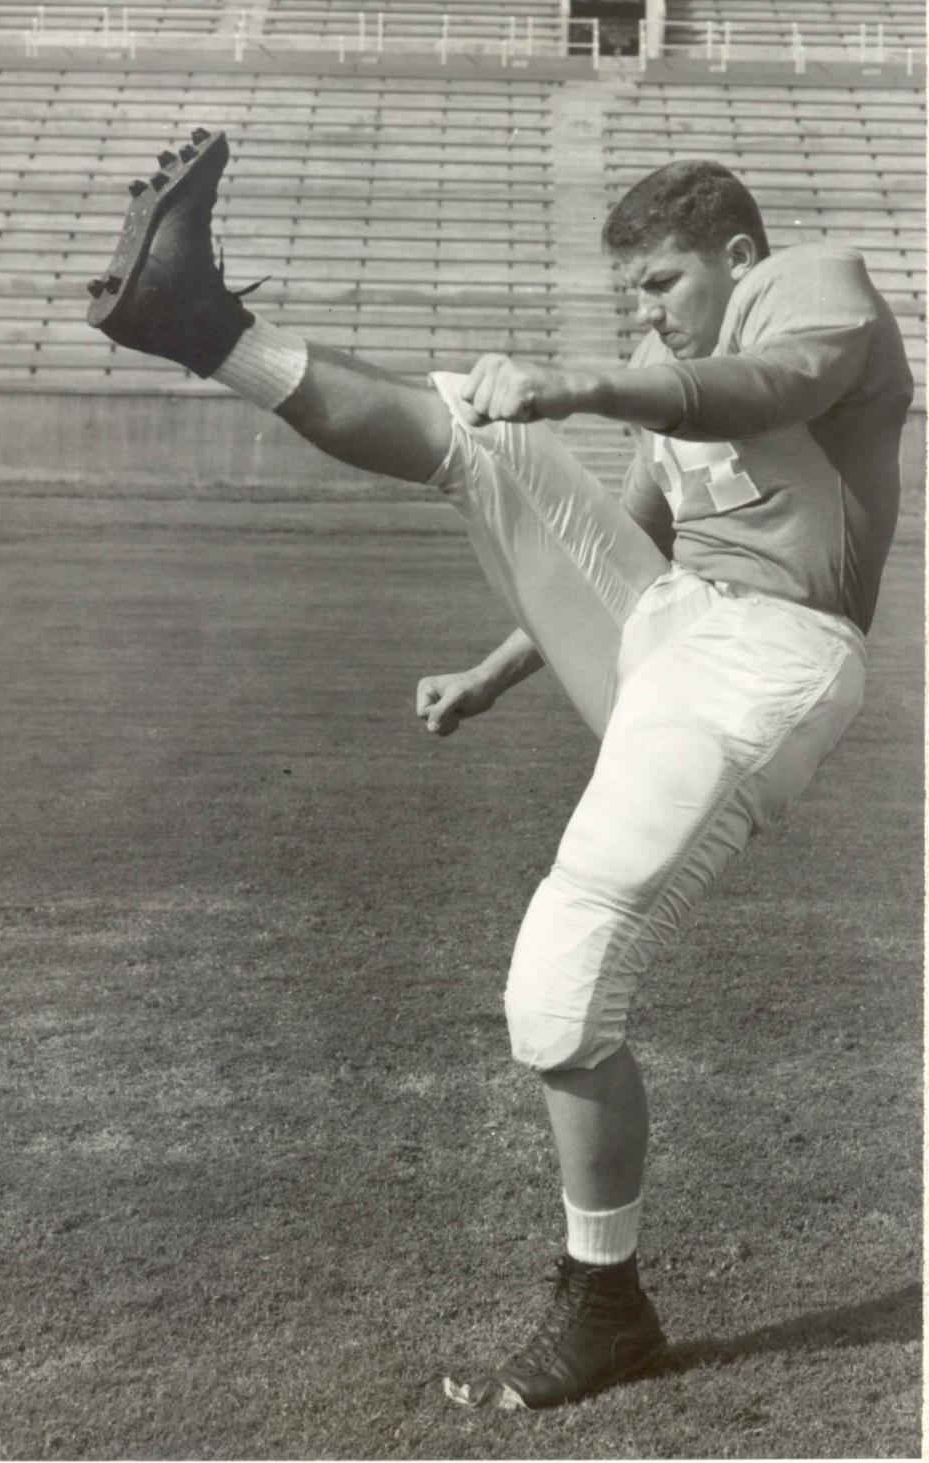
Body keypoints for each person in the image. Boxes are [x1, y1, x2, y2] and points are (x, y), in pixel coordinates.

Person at [87, 132, 913, 1411]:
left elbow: (759, 393)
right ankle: (197, 326)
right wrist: (489, 673)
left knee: (559, 987)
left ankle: (606, 1304)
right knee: (482, 435)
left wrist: (581, 384)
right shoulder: (662, 362)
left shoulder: (819, 285)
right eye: (631, 291)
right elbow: (614, 544)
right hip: (670, 624)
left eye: (664, 283)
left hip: (772, 654)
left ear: (739, 256)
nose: (647, 314)